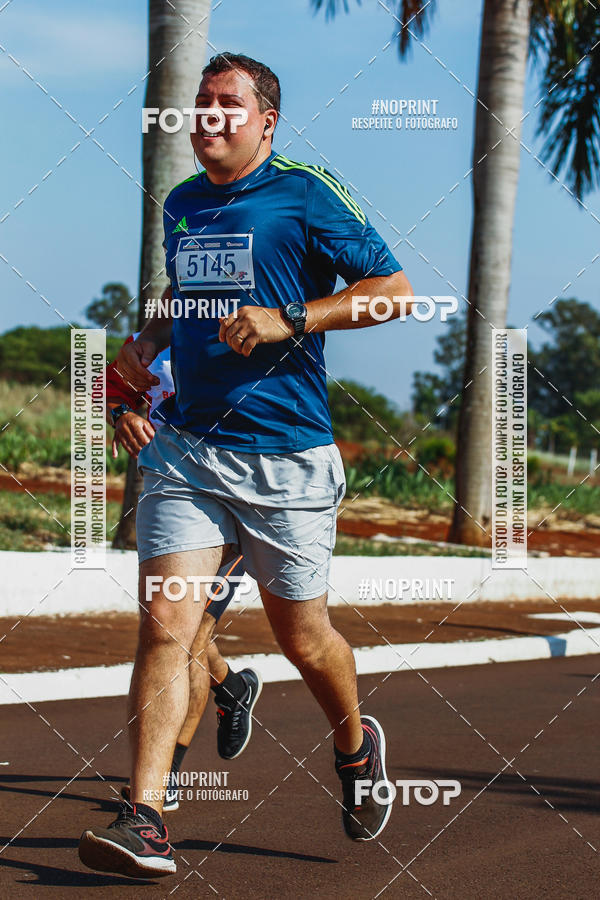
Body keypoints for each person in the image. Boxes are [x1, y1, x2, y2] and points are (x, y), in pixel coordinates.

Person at [79, 51, 413, 879]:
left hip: (288, 458)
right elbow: (177, 296)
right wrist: (137, 363)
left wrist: (290, 317)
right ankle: (145, 818)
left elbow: (394, 290)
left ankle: (353, 742)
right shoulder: (185, 203)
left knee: (304, 639)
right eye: (200, 105)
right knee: (166, 623)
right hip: (188, 450)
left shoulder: (304, 191)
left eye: (228, 104)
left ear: (266, 120)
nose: (209, 117)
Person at [106, 338, 262, 811]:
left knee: (191, 638)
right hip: (174, 505)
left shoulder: (245, 337)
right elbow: (110, 389)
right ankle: (233, 688)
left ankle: (166, 776)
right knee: (172, 631)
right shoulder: (149, 344)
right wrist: (123, 417)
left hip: (232, 516)